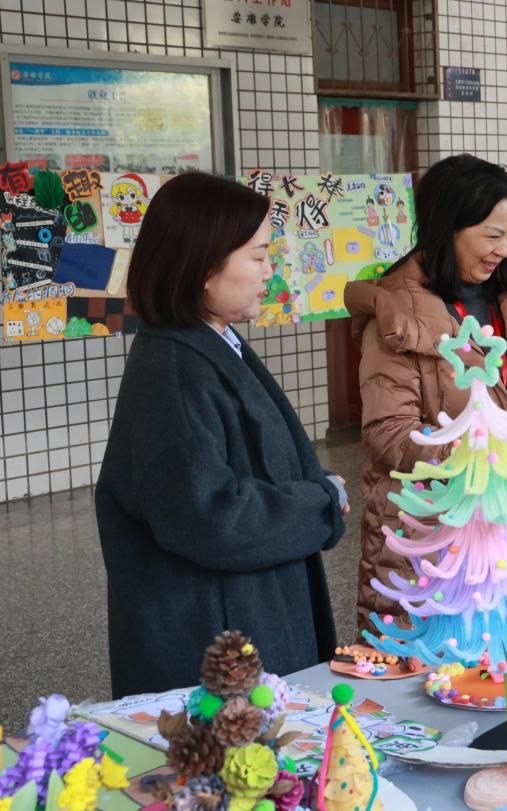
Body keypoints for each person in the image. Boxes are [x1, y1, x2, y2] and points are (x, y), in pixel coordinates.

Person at [95, 173, 348, 697]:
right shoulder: (174, 370)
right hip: (215, 642)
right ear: (204, 266)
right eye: (258, 256)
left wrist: (318, 487)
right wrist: (318, 503)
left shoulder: (209, 341)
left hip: (243, 616)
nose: (269, 269)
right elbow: (212, 519)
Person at [343, 155, 507, 632]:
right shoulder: (399, 314)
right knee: (435, 664)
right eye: (491, 235)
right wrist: (484, 462)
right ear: (447, 226)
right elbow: (388, 434)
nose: (504, 250)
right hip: (430, 534)